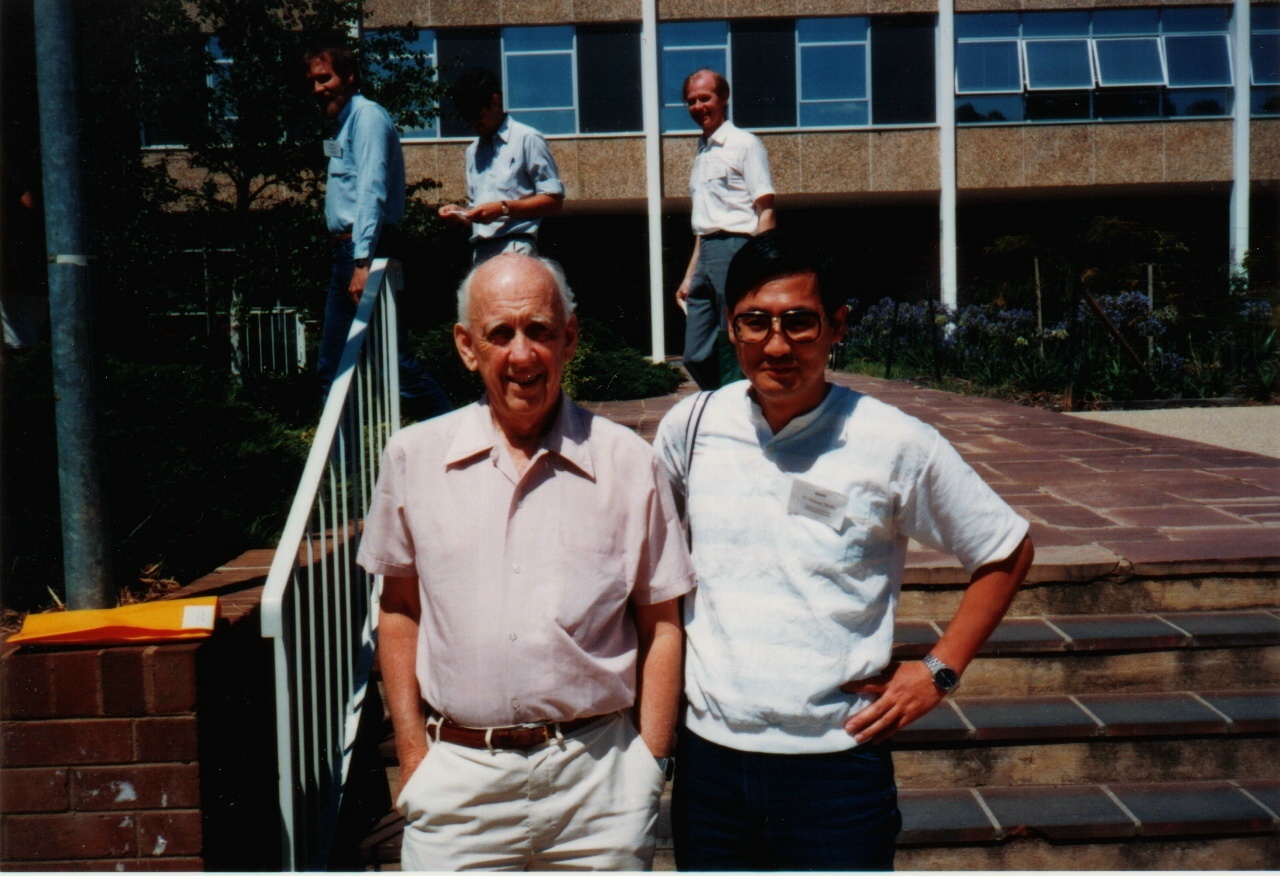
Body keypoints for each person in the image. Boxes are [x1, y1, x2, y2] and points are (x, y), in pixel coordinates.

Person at [654, 234, 1035, 871]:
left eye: (800, 323)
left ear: (836, 327)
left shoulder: (892, 442)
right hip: (710, 764)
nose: (777, 345)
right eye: (756, 322)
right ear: (730, 327)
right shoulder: (690, 427)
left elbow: (1005, 549)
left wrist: (938, 672)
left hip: (835, 769)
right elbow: (653, 569)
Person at [356, 252, 695, 870]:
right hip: (458, 781)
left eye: (539, 330)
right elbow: (398, 610)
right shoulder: (413, 457)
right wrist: (411, 752)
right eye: (500, 334)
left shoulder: (627, 462)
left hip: (599, 783)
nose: (522, 354)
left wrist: (650, 760)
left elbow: (662, 620)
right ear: (467, 347)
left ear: (569, 339)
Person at [306, 45, 451, 418]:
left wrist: (361, 261)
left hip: (367, 251)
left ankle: (461, 440)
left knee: (393, 363)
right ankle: (346, 472)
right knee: (333, 368)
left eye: (326, 78)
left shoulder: (367, 117)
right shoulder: (344, 123)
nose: (319, 88)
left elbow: (372, 191)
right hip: (350, 254)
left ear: (350, 76)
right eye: (313, 82)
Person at [676, 69, 776, 391]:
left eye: (705, 98)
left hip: (737, 248)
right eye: (691, 101)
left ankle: (741, 413)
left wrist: (762, 266)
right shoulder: (702, 152)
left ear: (723, 99)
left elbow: (766, 208)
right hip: (706, 251)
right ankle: (727, 400)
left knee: (732, 344)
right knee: (694, 353)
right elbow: (704, 220)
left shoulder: (744, 144)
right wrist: (691, 274)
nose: (698, 106)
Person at [437, 68, 565, 264]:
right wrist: (459, 214)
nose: (474, 123)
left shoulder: (527, 138)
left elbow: (554, 202)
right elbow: (478, 214)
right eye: (467, 118)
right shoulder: (473, 152)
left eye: (478, 115)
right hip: (480, 252)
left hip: (517, 248)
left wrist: (503, 209)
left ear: (495, 102)